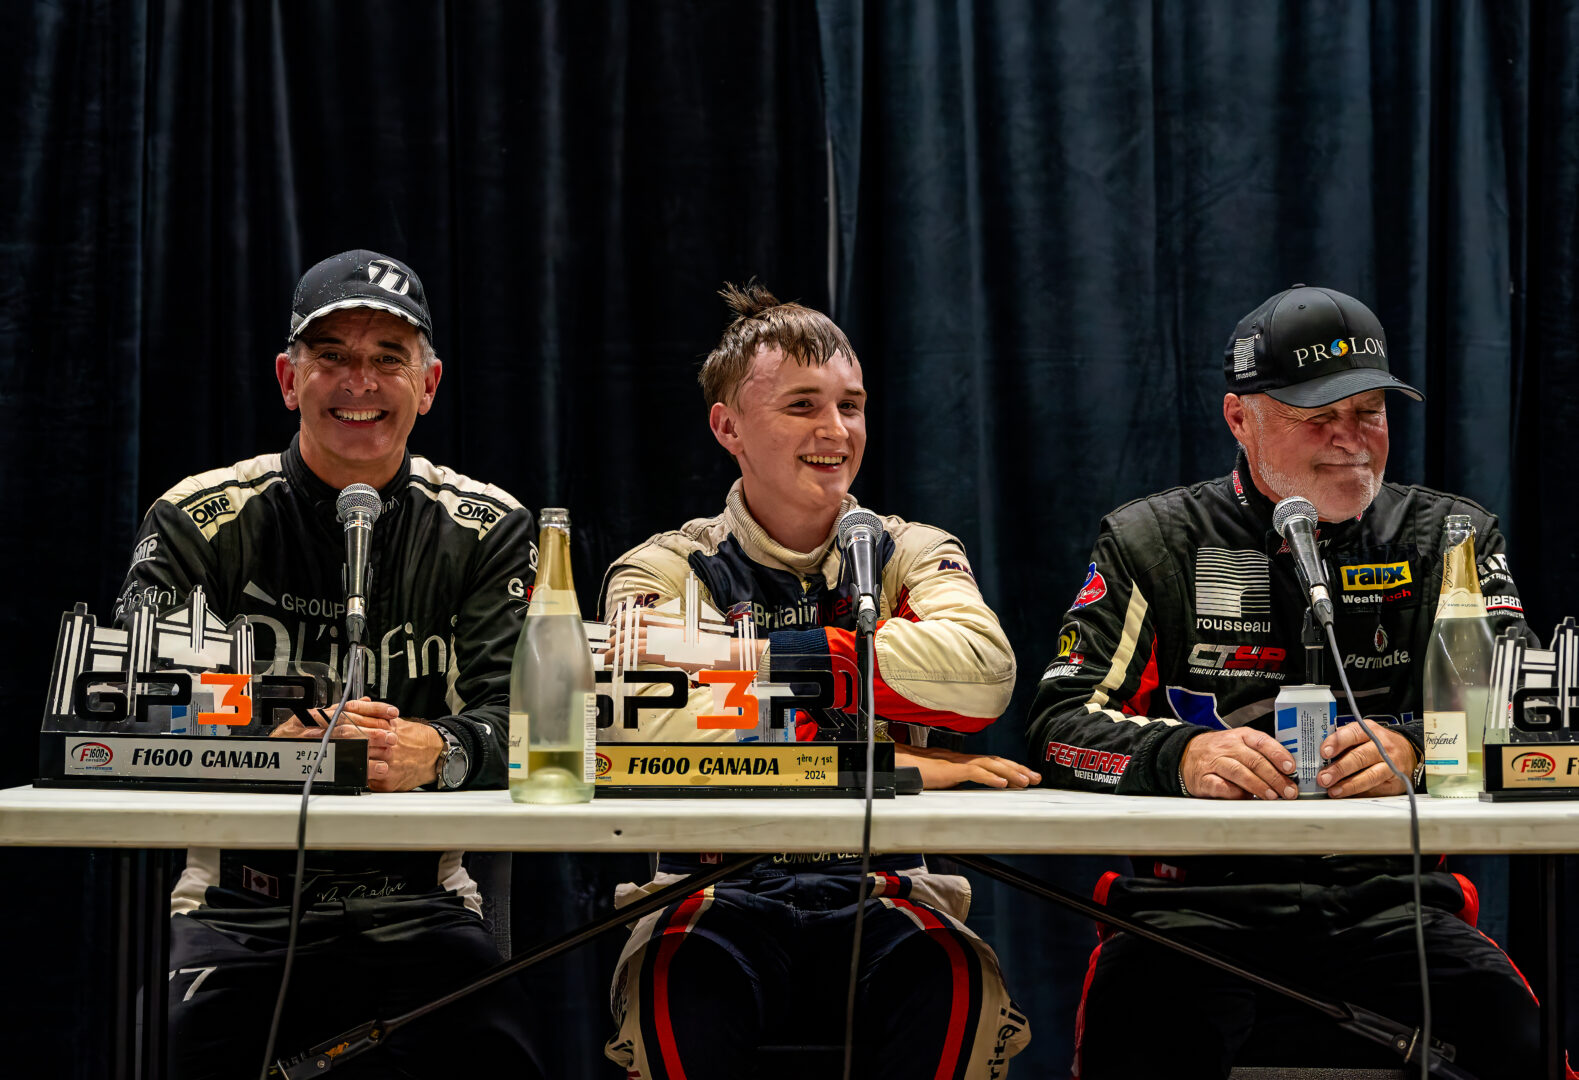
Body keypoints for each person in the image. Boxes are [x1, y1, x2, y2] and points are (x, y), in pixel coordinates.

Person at [1026, 285, 1544, 1080]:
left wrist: (1412, 746)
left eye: (1368, 412)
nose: (1350, 442)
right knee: (1137, 1032)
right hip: (1192, 912)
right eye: (1316, 417)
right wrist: (1184, 757)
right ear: (1239, 419)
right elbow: (1060, 722)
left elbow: (1523, 709)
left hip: (1391, 909)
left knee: (1516, 1043)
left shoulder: (1451, 536)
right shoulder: (1150, 538)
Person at [114, 250, 544, 1078]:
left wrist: (438, 751)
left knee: (505, 1051)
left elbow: (535, 719)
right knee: (170, 1048)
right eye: (333, 356)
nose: (361, 382)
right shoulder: (197, 519)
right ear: (287, 377)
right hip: (240, 904)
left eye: (389, 358)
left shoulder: (487, 527)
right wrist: (258, 741)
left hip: (421, 902)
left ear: (429, 385)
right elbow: (128, 698)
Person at [597, 283, 1034, 1078]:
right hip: (710, 888)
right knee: (673, 996)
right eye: (802, 405)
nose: (835, 432)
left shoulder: (910, 548)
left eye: (851, 405)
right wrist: (896, 766)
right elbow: (639, 734)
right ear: (728, 426)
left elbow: (981, 675)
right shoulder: (661, 565)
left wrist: (742, 660)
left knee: (961, 991)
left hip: (891, 887)